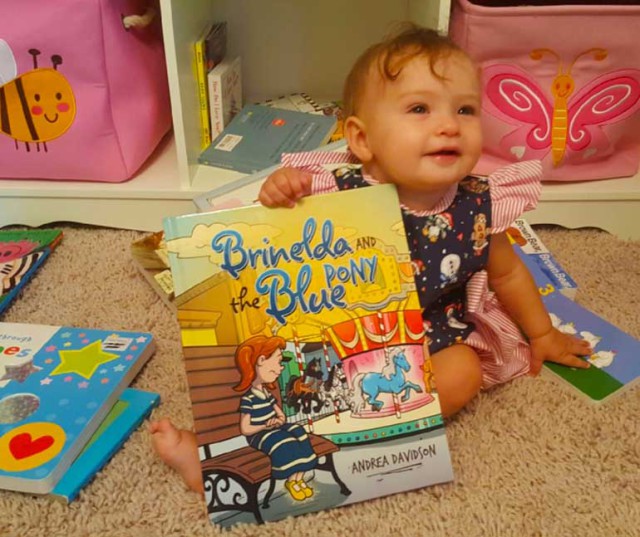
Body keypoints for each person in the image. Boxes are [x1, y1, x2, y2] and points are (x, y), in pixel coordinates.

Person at [257, 22, 592, 418]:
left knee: (464, 372)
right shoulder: (335, 189)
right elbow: (280, 234)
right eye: (419, 109)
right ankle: (260, 438)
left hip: (429, 338)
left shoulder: (478, 205)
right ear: (362, 140)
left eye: (465, 109)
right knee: (273, 371)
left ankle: (382, 432)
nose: (449, 124)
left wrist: (542, 333)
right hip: (342, 335)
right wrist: (280, 189)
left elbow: (508, 275)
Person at [151, 335, 317, 500]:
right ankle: (195, 458)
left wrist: (279, 419)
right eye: (278, 361)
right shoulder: (249, 399)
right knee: (284, 443)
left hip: (274, 427)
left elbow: (280, 414)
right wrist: (266, 424)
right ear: (261, 360)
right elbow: (246, 428)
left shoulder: (267, 394)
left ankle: (297, 480)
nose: (281, 368)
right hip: (260, 434)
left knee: (298, 432)